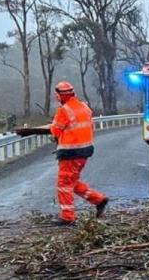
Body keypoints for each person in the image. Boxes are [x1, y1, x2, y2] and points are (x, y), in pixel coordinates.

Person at [50, 81, 108, 226]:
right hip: (84, 151)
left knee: (64, 183)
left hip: (70, 152)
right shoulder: (84, 107)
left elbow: (55, 131)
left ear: (59, 96)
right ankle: (99, 200)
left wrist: (53, 127)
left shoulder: (63, 110)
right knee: (71, 181)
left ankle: (67, 217)